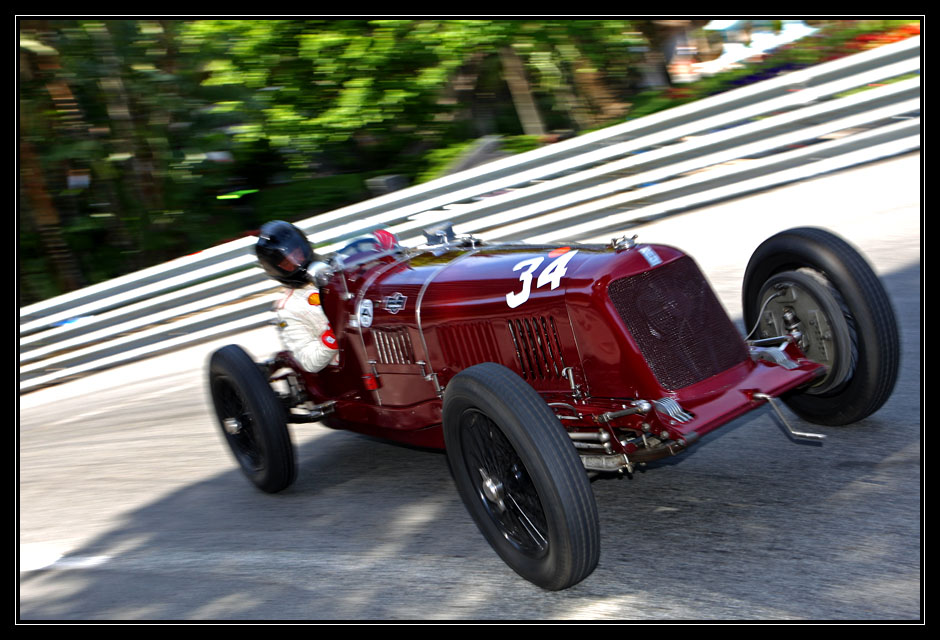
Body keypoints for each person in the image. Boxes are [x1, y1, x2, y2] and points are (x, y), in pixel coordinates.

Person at [254, 220, 399, 373]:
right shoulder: (288, 309)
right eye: (287, 263)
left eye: (298, 253)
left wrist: (380, 252)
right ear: (277, 270)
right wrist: (332, 333)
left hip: (385, 338)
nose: (297, 262)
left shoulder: (338, 266)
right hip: (354, 369)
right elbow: (308, 361)